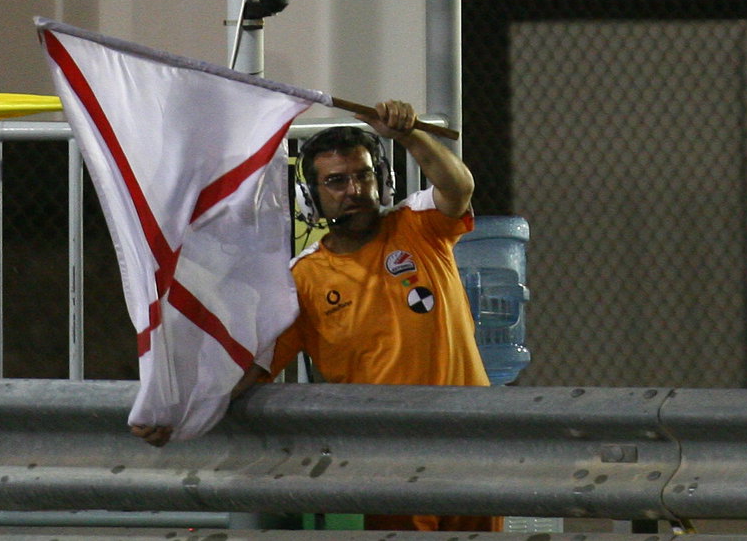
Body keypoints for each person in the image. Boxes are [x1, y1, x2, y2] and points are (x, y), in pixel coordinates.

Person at [134, 100, 496, 532]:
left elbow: (458, 188)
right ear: (311, 198)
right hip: (387, 456)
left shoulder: (419, 225)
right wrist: (178, 409)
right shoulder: (300, 282)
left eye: (363, 176)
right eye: (336, 181)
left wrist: (408, 134)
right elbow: (250, 366)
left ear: (383, 180)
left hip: (472, 438)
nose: (354, 190)